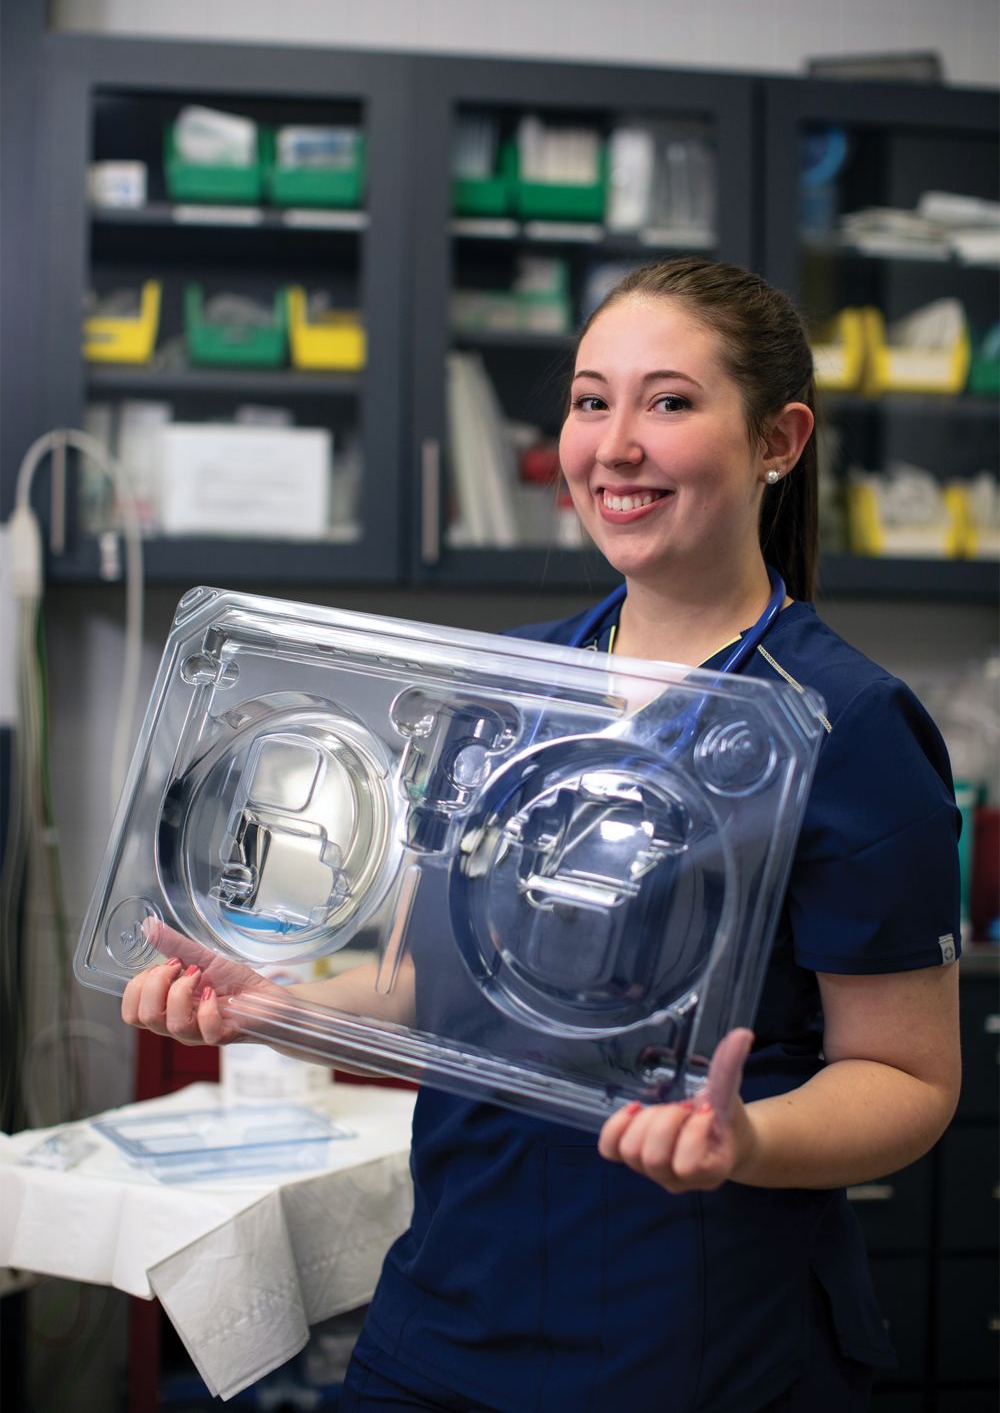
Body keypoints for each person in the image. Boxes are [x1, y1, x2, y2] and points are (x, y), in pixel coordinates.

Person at [122, 256, 962, 1413]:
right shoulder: (506, 690)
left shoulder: (846, 726)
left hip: (691, 1335)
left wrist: (745, 1141)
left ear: (779, 439)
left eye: (668, 401)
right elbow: (427, 988)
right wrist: (267, 999)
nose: (614, 443)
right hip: (447, 1307)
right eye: (588, 399)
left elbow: (906, 1075)